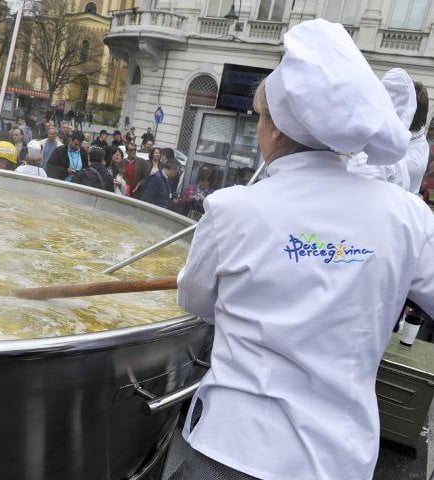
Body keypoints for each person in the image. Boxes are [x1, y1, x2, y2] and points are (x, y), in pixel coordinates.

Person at [175, 19, 434, 480]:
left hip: (229, 448)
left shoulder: (231, 209)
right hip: (337, 460)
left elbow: (195, 301)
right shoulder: (409, 217)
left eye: (259, 117)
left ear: (274, 129)